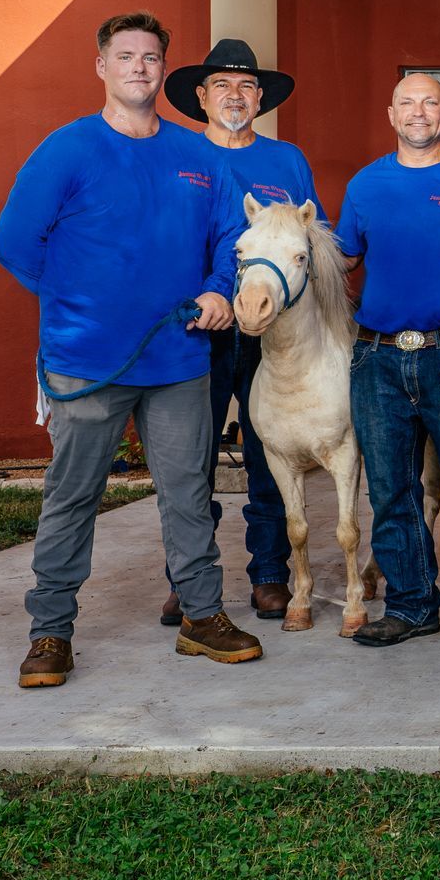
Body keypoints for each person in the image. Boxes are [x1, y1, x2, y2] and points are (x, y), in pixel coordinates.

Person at [0, 11, 261, 686]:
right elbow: (16, 243)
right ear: (102, 67)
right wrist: (79, 303)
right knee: (73, 497)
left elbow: (233, 236)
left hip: (177, 360)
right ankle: (50, 631)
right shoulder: (67, 149)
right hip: (87, 363)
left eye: (151, 58)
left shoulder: (197, 156)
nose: (140, 67)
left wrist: (219, 289)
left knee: (187, 493)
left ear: (164, 70)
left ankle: (202, 616)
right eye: (127, 56)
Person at [335, 73, 440, 652]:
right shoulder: (364, 184)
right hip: (378, 359)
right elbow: (341, 262)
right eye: (406, 102)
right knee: (390, 490)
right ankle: (411, 605)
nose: (418, 112)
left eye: (430, 102)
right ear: (391, 114)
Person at [162, 37, 321, 626]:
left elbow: (314, 246)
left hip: (271, 337)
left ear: (261, 98)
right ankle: (188, 577)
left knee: (267, 453)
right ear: (201, 97)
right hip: (196, 332)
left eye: (247, 86)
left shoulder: (288, 162)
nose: (235, 95)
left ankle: (270, 575)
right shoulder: (177, 154)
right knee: (190, 459)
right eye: (222, 85)